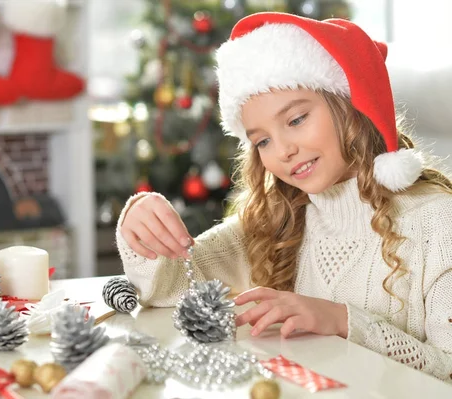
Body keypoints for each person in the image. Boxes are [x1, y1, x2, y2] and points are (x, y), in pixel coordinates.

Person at [116, 12, 452, 382]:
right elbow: (173, 288)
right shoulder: (279, 220)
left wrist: (342, 321)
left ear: (353, 107)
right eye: (262, 141)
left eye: (295, 120)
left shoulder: (436, 222)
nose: (283, 151)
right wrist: (141, 221)